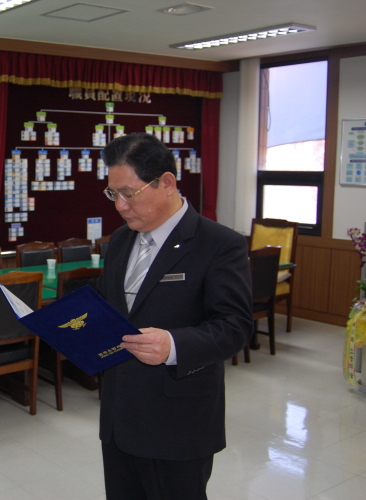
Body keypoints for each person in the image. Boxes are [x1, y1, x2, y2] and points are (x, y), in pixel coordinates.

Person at [96, 133, 252, 499]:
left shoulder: (219, 244)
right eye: (112, 194)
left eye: (128, 193)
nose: (120, 206)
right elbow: (108, 307)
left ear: (166, 183)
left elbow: (235, 326)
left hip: (178, 423)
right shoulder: (120, 240)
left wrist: (173, 344)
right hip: (119, 417)